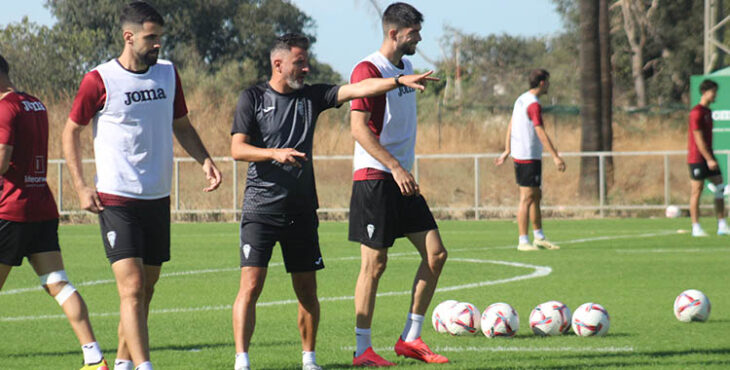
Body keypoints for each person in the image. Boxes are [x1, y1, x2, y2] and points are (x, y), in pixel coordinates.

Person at [230, 33, 436, 370]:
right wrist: (273, 154)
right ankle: (242, 361)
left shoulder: (312, 96)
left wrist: (398, 81)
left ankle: (309, 361)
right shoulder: (251, 98)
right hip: (260, 209)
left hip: (301, 210)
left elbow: (358, 89)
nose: (307, 68)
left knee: (307, 289)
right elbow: (237, 149)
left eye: (307, 61)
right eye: (300, 62)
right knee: (250, 286)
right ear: (278, 64)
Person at [62, 2, 222, 370]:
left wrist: (205, 159)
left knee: (144, 292)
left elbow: (181, 124)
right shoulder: (99, 80)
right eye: (151, 38)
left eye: (160, 38)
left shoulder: (167, 74)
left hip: (157, 197)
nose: (158, 45)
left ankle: (122, 363)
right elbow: (71, 131)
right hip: (117, 198)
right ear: (128, 37)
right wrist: (81, 185)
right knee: (132, 288)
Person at [348, 3, 449, 366]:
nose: (418, 39)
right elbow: (358, 129)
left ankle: (411, 338)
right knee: (374, 264)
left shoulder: (406, 67)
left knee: (436, 254)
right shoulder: (368, 69)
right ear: (394, 33)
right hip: (376, 178)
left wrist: (402, 169)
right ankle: (362, 350)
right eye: (413, 34)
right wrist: (393, 166)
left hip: (402, 179)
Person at [0, 54, 109, 370]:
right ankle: (94, 357)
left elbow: (3, 161)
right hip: (41, 207)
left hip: (12, 210)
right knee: (57, 282)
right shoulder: (35, 104)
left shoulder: (5, 108)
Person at [496, 69, 565, 251]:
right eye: (547, 82)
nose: (549, 86)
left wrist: (507, 149)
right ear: (542, 83)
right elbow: (539, 130)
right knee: (526, 198)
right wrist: (556, 156)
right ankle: (523, 241)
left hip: (524, 154)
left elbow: (512, 123)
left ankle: (539, 237)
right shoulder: (533, 104)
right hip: (527, 156)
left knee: (535, 196)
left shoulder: (521, 99)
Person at [687, 79, 730, 237]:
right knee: (696, 191)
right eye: (713, 91)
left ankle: (722, 224)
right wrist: (708, 159)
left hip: (708, 156)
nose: (715, 95)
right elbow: (698, 139)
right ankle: (696, 227)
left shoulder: (708, 112)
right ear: (705, 92)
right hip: (697, 158)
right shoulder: (696, 112)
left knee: (719, 187)